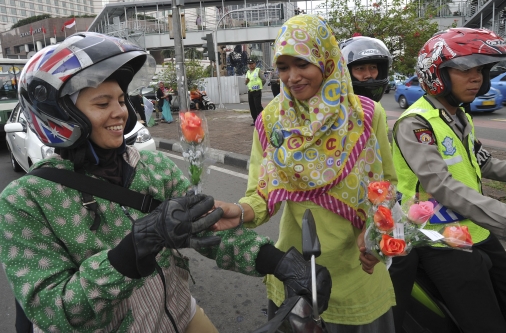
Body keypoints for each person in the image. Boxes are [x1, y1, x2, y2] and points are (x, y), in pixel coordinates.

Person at [0, 32, 332, 333]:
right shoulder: (26, 200)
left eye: (120, 101)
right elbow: (51, 309)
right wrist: (127, 256)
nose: (120, 113)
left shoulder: (154, 168)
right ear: (59, 115)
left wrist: (278, 262)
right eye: (102, 103)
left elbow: (207, 229)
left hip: (179, 315)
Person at [214, 14, 398, 332]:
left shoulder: (367, 114)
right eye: (283, 67)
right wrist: (241, 211)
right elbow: (261, 192)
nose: (292, 77)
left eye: (302, 64)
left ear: (326, 61)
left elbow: (387, 184)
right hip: (296, 273)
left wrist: (375, 235)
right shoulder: (273, 121)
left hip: (359, 273)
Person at [390, 27, 506, 333]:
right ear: (437, 74)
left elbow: (487, 165)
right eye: (465, 70)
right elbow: (443, 186)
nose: (476, 78)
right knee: (482, 318)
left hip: (473, 227)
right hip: (437, 236)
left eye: (481, 71)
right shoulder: (416, 124)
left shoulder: (459, 117)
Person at [340, 36, 392, 104]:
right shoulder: (336, 108)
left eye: (373, 67)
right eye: (360, 68)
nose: (368, 75)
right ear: (346, 72)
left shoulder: (375, 107)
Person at [245, 58, 266, 126]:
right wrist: (246, 81)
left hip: (257, 91)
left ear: (255, 64)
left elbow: (263, 80)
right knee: (252, 107)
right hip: (250, 91)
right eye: (249, 64)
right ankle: (255, 120)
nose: (251, 65)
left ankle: (262, 120)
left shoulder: (258, 70)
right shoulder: (248, 72)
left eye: (252, 64)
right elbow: (246, 82)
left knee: (258, 106)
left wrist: (259, 86)